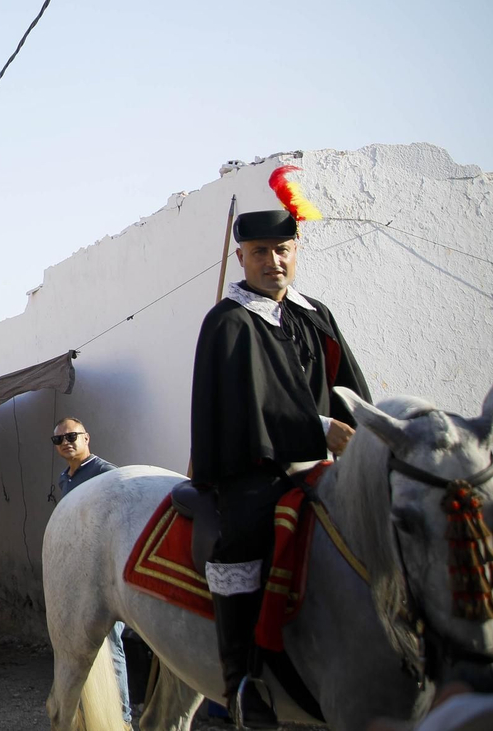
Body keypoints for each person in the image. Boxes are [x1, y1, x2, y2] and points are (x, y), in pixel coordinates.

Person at [190, 209, 371, 728]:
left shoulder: (316, 313)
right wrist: (316, 428)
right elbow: (244, 407)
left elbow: (347, 387)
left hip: (323, 465)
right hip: (255, 467)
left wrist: (366, 429)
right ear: (243, 257)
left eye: (283, 250)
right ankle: (239, 684)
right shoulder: (227, 320)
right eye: (261, 252)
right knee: (242, 540)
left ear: (296, 251)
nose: (274, 261)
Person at [53, 417, 132, 726]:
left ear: (87, 437)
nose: (66, 442)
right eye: (59, 439)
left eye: (72, 436)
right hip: (77, 576)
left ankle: (122, 718)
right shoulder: (65, 478)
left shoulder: (107, 475)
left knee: (111, 646)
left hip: (101, 575)